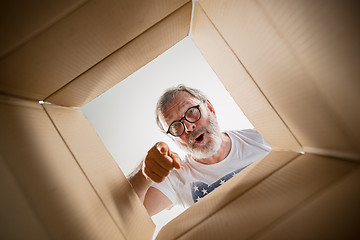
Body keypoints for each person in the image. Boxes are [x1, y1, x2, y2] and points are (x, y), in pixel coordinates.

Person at [128, 85, 271, 216]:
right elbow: (130, 216)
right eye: (175, 126)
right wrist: (143, 174)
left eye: (191, 111)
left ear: (209, 107)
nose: (189, 127)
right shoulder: (177, 178)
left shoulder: (264, 137)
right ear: (173, 139)